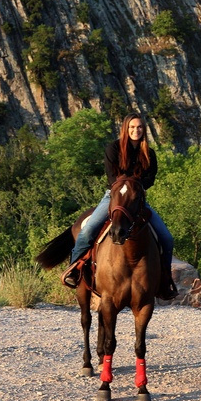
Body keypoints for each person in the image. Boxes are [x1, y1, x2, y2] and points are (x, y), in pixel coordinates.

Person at [61, 113, 178, 300]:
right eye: (132, 127)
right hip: (113, 197)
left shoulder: (149, 153)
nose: (136, 130)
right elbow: (111, 176)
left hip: (136, 199)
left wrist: (135, 188)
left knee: (166, 237)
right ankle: (74, 269)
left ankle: (164, 279)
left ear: (144, 130)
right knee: (88, 229)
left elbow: (150, 178)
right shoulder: (113, 148)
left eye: (139, 127)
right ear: (125, 128)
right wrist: (126, 185)